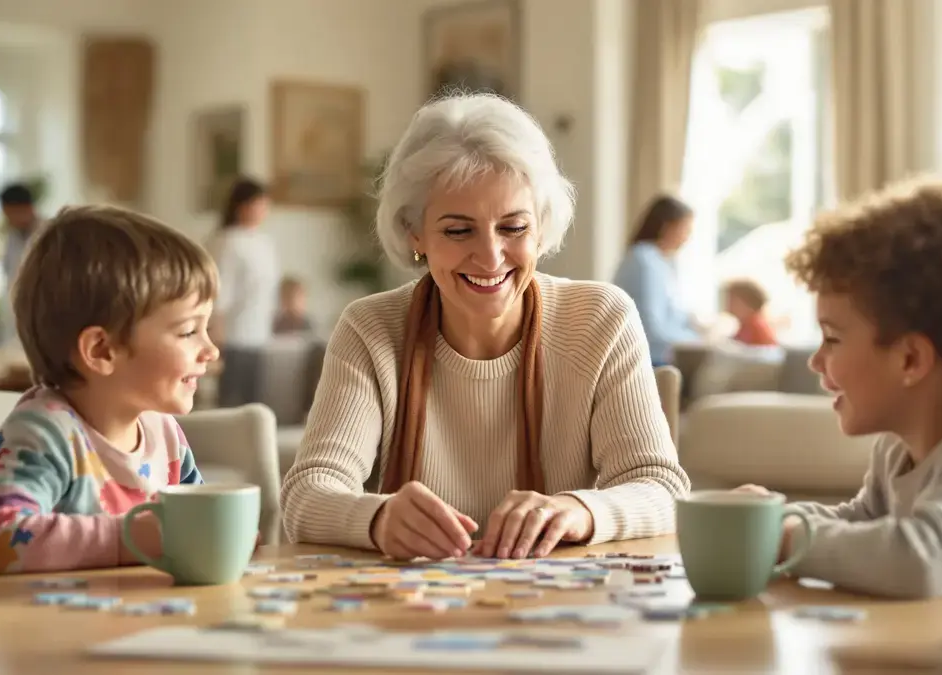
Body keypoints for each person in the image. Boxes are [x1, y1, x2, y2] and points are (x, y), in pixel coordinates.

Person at [280, 93, 690, 561]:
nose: (491, 257)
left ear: (541, 226)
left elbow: (662, 489)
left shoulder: (601, 319)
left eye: (513, 228)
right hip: (407, 615)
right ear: (415, 233)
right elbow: (305, 496)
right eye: (458, 231)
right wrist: (376, 519)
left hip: (558, 611)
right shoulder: (369, 329)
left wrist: (577, 510)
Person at [736, 178, 942, 597]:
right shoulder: (900, 447)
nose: (815, 361)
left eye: (832, 338)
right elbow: (864, 524)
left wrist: (785, 536)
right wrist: (769, 517)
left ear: (910, 360)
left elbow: (922, 560)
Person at [0, 205, 220, 574]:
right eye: (188, 331)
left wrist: (221, 532)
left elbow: (196, 523)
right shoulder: (45, 434)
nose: (211, 350)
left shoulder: (164, 432)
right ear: (102, 351)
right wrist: (128, 539)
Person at [212, 178, 281, 408]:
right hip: (234, 336)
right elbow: (220, 292)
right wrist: (217, 335)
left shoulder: (264, 242)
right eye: (257, 204)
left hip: (259, 334)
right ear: (241, 206)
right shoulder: (227, 242)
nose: (263, 210)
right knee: (232, 402)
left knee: (255, 403)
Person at [612, 195, 702, 366]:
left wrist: (698, 328)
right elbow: (651, 326)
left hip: (659, 354)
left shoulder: (661, 261)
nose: (687, 237)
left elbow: (671, 314)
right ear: (667, 226)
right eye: (685, 229)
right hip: (649, 358)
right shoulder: (644, 260)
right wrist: (699, 341)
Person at [0, 183, 41, 346]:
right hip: (15, 319)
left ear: (26, 208)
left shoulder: (49, 234)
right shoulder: (11, 239)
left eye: (11, 213)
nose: (9, 219)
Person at [722, 278, 778, 347]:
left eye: (732, 299)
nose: (728, 303)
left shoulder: (755, 326)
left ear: (747, 303)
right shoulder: (746, 325)